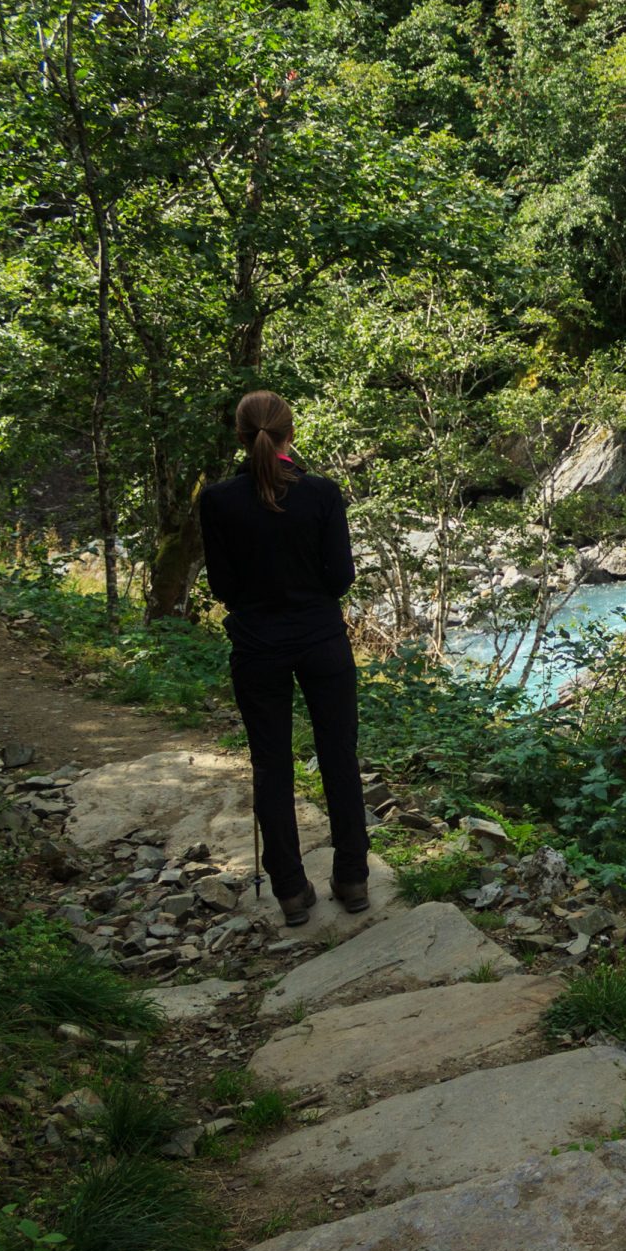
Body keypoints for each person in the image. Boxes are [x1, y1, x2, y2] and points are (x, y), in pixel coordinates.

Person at [198, 391, 372, 926]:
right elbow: (341, 576)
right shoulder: (321, 493)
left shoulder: (217, 500)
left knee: (271, 763)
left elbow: (223, 585)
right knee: (339, 753)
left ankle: (292, 892)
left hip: (258, 645)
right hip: (321, 639)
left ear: (240, 435)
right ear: (290, 433)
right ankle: (352, 878)